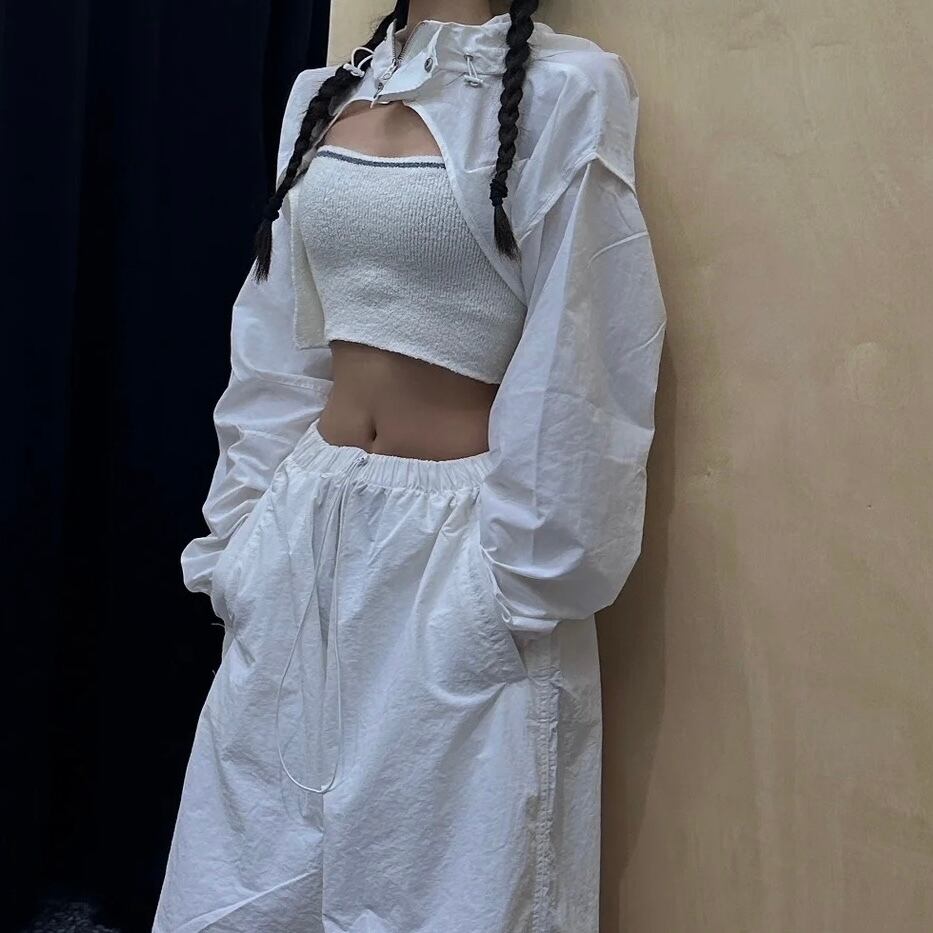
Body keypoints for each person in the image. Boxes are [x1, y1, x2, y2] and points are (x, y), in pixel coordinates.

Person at [154, 1, 666, 930]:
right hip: (304, 531)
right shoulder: (324, 95)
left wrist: (510, 591)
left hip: (459, 563)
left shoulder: (565, 89)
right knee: (247, 874)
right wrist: (240, 543)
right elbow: (277, 344)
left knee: (443, 892)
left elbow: (585, 359)